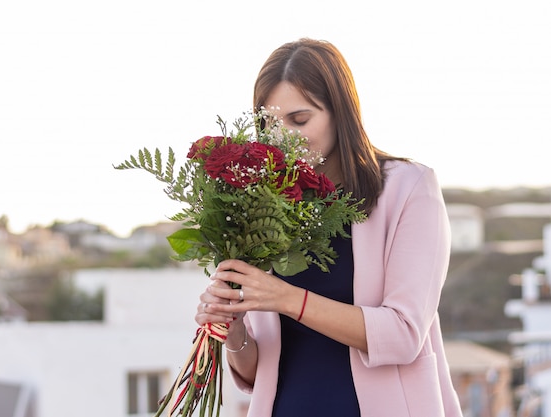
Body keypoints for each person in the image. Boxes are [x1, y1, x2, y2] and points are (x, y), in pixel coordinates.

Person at [195, 38, 463, 417]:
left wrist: (285, 298)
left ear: (340, 111)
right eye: (269, 124)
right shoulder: (262, 203)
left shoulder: (408, 188)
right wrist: (232, 328)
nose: (282, 137)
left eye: (299, 119)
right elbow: (257, 372)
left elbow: (403, 334)